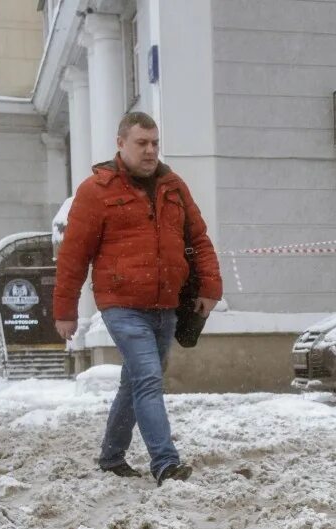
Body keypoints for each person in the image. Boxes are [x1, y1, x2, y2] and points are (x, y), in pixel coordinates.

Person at [52, 111, 222, 484]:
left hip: (166, 304)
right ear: (120, 144)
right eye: (141, 143)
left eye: (155, 143)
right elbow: (73, 256)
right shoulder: (96, 191)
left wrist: (210, 287)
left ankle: (112, 456)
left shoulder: (173, 186)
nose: (150, 151)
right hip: (122, 304)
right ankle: (165, 463)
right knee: (148, 379)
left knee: (135, 381)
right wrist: (65, 311)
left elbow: (199, 240)